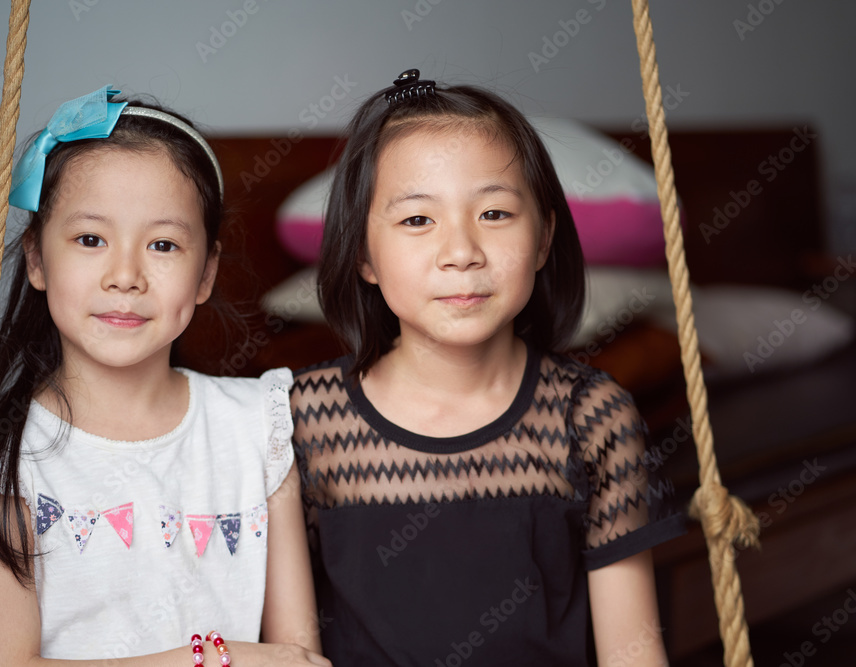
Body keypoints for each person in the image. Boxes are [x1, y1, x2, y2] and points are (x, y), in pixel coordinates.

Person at [291, 70, 685, 666]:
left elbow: (633, 652)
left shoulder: (592, 417)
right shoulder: (302, 420)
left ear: (545, 237)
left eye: (495, 214)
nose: (462, 253)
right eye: (418, 220)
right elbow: (291, 650)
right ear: (363, 257)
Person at [0, 86, 330, 667]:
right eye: (91, 239)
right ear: (37, 259)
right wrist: (210, 659)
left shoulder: (255, 426)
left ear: (205, 274)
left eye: (163, 244)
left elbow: (298, 655)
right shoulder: (9, 451)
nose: (126, 275)